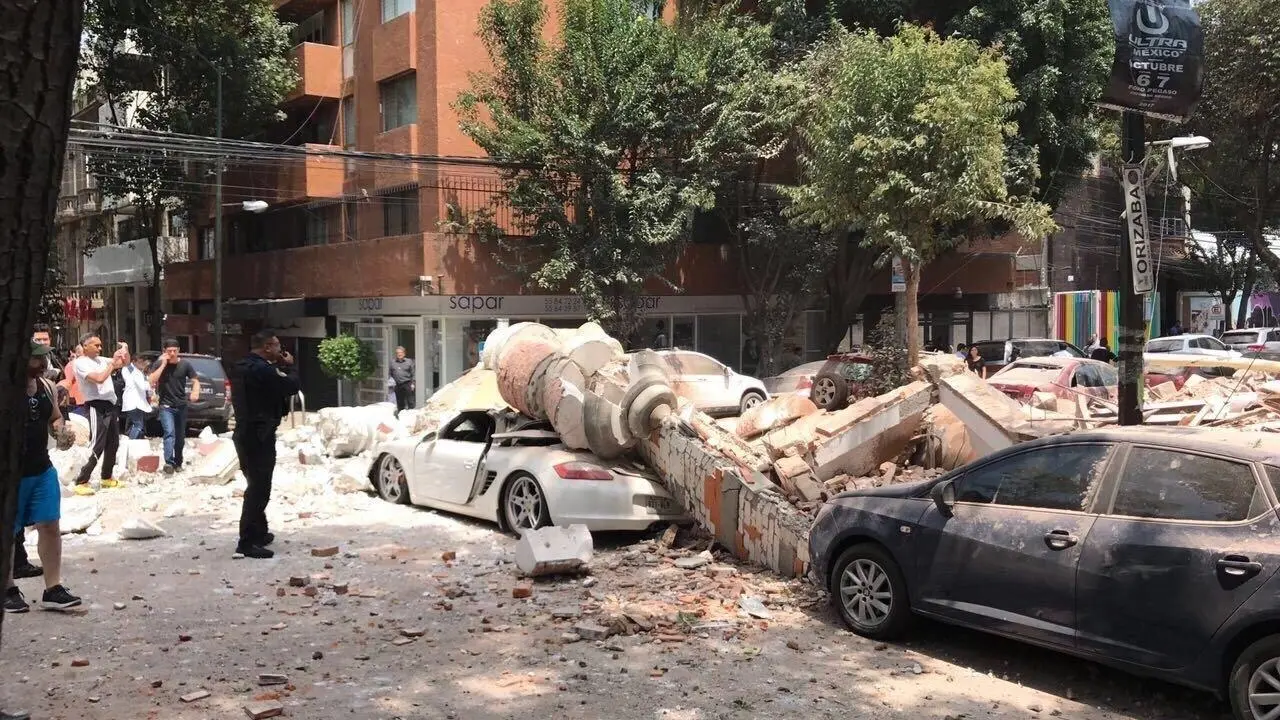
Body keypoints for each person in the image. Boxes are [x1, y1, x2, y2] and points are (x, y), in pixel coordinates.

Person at [4, 342, 83, 615]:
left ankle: (53, 588)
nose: (41, 365)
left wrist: (61, 430)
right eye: (36, 360)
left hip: (41, 469)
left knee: (50, 525)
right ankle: (8, 589)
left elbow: (55, 417)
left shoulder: (46, 388)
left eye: (42, 360)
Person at [231, 330, 300, 559]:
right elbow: (290, 386)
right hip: (259, 434)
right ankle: (247, 542)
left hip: (245, 432)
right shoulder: (262, 370)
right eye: (278, 346)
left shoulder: (242, 366)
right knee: (259, 489)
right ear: (267, 347)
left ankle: (259, 532)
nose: (281, 351)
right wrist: (290, 366)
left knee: (255, 484)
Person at [70, 334, 126, 495]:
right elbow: (99, 378)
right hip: (96, 405)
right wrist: (112, 365)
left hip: (110, 405)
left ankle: (106, 477)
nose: (100, 348)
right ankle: (81, 480)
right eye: (96, 345)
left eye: (101, 345)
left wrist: (124, 352)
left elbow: (124, 362)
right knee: (97, 443)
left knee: (113, 442)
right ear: (85, 346)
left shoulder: (102, 360)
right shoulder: (81, 363)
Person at [148, 338, 201, 474]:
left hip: (181, 405)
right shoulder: (159, 364)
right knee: (169, 433)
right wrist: (163, 364)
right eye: (169, 351)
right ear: (164, 351)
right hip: (166, 406)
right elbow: (151, 380)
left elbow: (195, 380)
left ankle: (178, 462)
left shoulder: (185, 365)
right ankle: (169, 463)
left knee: (180, 436)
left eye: (174, 351)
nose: (172, 353)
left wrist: (195, 391)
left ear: (178, 351)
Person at [120, 354, 152, 440]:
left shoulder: (139, 372)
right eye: (140, 362)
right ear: (133, 362)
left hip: (139, 402)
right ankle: (131, 442)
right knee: (138, 425)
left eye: (142, 362)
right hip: (132, 402)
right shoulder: (128, 370)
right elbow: (144, 386)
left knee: (138, 425)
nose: (142, 364)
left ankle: (135, 442)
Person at [389, 345, 416, 414]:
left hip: (407, 383)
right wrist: (392, 383)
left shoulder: (409, 361)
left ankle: (411, 415)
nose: (399, 354)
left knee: (410, 401)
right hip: (397, 384)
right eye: (397, 353)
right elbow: (390, 373)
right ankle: (401, 416)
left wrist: (413, 384)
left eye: (400, 352)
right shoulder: (392, 362)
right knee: (400, 402)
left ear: (404, 353)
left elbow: (413, 373)